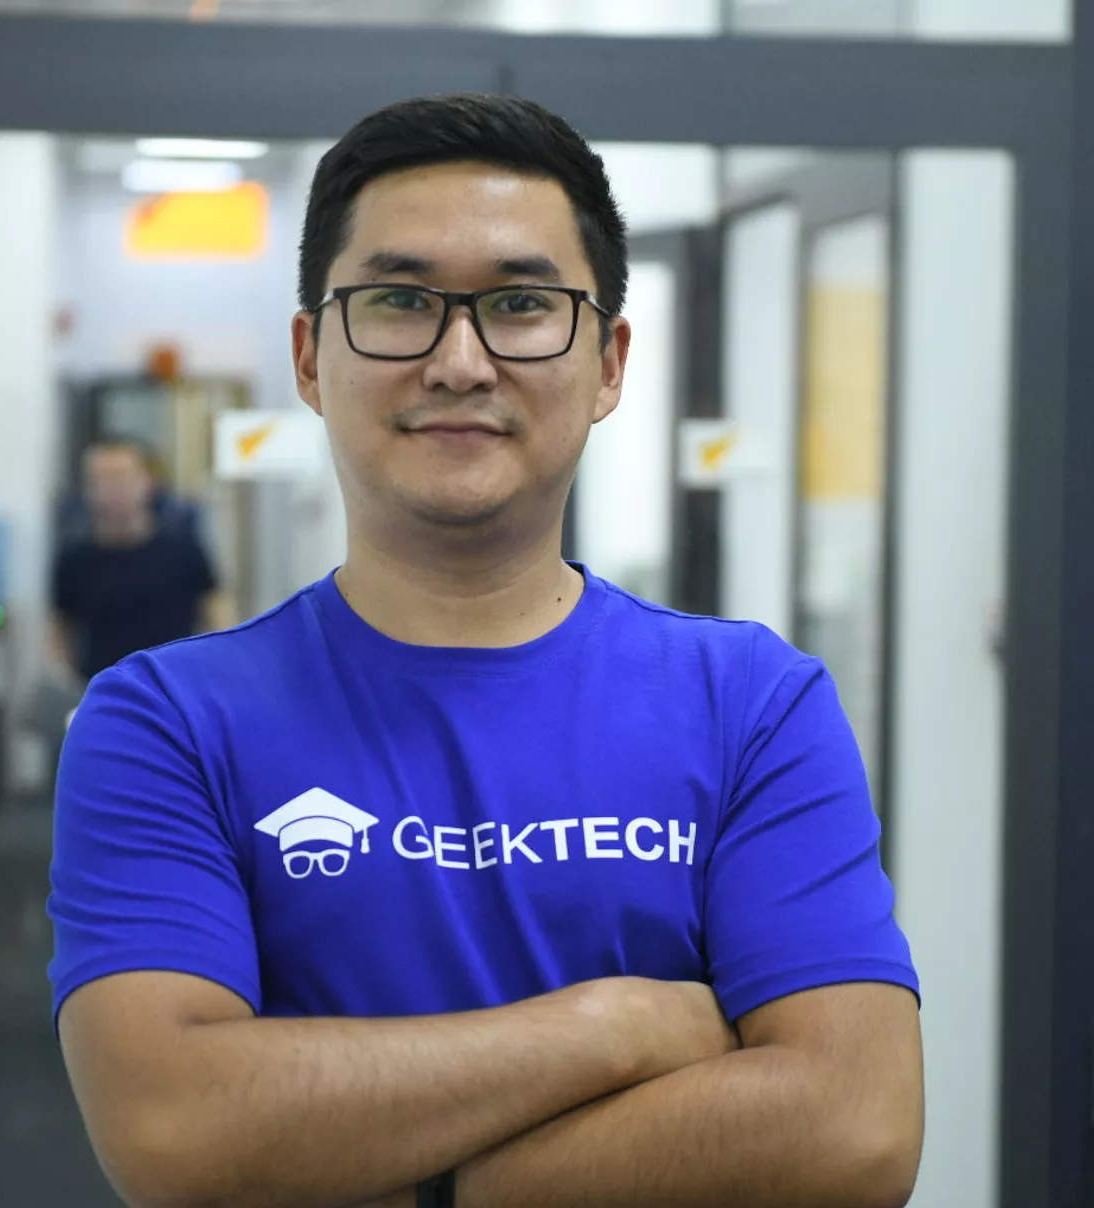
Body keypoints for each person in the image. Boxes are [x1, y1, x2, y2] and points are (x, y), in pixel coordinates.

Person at [49, 94, 924, 1208]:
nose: (459, 361)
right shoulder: (168, 722)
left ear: (608, 362)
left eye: (520, 304)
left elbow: (854, 1128)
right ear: (311, 357)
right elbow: (176, 1128)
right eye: (400, 301)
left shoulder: (752, 704)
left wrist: (416, 1185)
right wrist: (617, 1026)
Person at [47, 436, 231, 686]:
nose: (113, 489)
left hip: (176, 688)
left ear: (148, 482)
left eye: (122, 477)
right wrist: (68, 687)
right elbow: (60, 633)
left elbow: (217, 615)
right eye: (101, 480)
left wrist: (217, 672)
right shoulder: (74, 562)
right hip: (105, 692)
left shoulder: (183, 551)